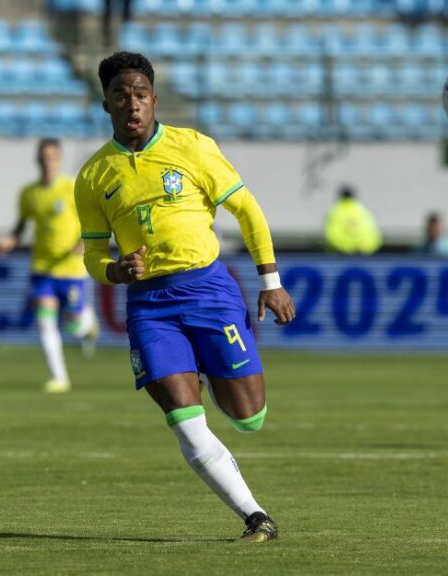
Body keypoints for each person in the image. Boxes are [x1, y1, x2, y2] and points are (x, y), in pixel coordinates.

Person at [74, 51, 295, 542]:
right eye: (120, 95)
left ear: (154, 99)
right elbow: (91, 257)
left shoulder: (193, 147)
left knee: (248, 418)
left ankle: (213, 372)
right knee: (182, 418)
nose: (132, 104)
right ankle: (256, 516)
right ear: (106, 103)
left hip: (209, 291)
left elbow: (248, 210)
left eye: (140, 94)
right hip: (150, 307)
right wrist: (114, 269)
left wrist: (271, 281)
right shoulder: (94, 176)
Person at [0, 138, 99, 393]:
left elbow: (92, 219)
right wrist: (11, 238)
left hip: (72, 268)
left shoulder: (71, 188)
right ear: (37, 160)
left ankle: (88, 324)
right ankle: (59, 378)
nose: (47, 162)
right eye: (43, 157)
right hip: (42, 267)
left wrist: (83, 242)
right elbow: (21, 223)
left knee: (74, 326)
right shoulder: (29, 193)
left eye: (52, 157)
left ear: (59, 159)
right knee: (45, 321)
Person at [323, 185, 382, 254]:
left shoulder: (336, 211)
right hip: (364, 255)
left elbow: (332, 235)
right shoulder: (362, 210)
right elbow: (373, 233)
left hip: (341, 256)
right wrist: (364, 249)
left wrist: (348, 249)